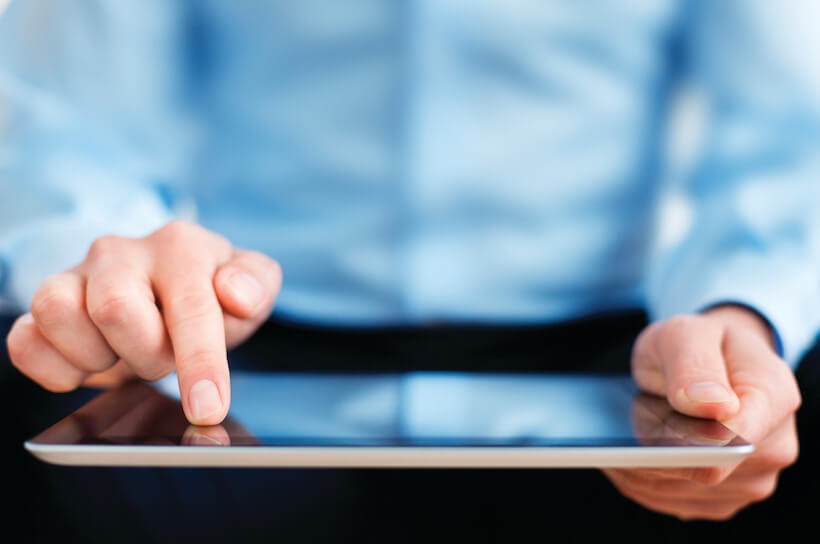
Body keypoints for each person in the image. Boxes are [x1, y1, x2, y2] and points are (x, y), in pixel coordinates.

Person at [1, 0, 819, 531]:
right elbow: (74, 127)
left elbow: (787, 137)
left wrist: (740, 317)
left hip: (614, 376)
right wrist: (112, 283)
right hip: (231, 362)